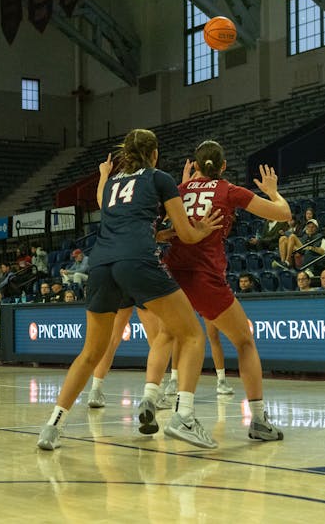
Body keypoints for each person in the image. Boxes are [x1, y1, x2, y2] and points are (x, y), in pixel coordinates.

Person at [37, 128, 224, 451]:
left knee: (90, 352)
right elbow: (188, 234)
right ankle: (184, 418)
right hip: (137, 263)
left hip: (101, 265)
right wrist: (202, 228)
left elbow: (116, 218)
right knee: (192, 335)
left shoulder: (111, 184)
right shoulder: (159, 178)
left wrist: (154, 233)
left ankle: (53, 426)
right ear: (154, 154)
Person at [160, 139, 292, 442]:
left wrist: (186, 187)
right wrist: (272, 190)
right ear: (222, 166)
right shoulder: (228, 190)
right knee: (244, 341)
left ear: (194, 166)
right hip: (203, 276)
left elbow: (163, 226)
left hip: (171, 275)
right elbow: (282, 214)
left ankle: (163, 401)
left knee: (180, 337)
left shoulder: (179, 191)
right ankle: (257, 420)